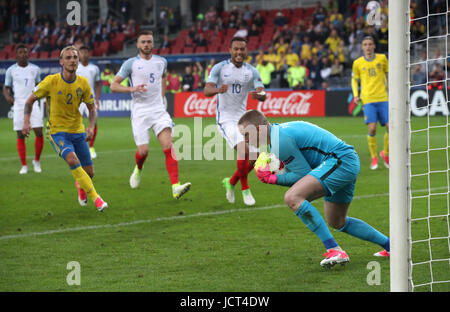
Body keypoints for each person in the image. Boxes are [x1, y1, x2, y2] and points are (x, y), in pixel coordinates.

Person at [238, 109, 390, 268]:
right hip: (343, 161)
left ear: (257, 129)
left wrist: (272, 178)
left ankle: (334, 250)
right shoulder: (277, 134)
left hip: (339, 161)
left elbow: (302, 175)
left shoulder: (278, 141)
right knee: (337, 221)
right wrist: (280, 170)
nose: (245, 140)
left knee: (292, 197)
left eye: (246, 135)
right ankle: (390, 246)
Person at [22, 45, 108, 211]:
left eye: (75, 57)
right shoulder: (51, 81)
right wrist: (26, 121)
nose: (72, 60)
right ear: (61, 62)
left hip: (77, 131)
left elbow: (92, 108)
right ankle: (97, 199)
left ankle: (80, 185)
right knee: (72, 160)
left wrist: (91, 126)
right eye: (68, 58)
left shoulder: (83, 83)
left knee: (89, 173)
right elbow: (29, 100)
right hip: (57, 132)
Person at [110, 30, 191, 199]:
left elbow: (162, 77)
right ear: (138, 45)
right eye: (143, 42)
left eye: (149, 41)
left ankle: (175, 187)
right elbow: (114, 86)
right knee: (144, 151)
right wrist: (131, 88)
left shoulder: (162, 61)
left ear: (153, 44)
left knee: (168, 146)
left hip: (158, 111)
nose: (146, 44)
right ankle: (138, 169)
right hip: (140, 112)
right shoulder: (130, 64)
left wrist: (161, 96)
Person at [203, 37, 266, 206]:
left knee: (255, 157)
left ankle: (230, 183)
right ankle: (245, 189)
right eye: (236, 49)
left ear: (246, 51)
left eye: (242, 49)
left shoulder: (251, 71)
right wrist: (218, 89)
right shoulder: (220, 68)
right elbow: (206, 90)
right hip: (225, 119)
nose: (239, 52)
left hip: (242, 118)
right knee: (244, 150)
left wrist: (258, 95)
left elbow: (263, 94)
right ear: (230, 50)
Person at [3, 44, 44, 174]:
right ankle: (24, 165)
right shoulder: (11, 70)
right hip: (19, 105)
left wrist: (41, 96)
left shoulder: (35, 69)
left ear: (28, 54)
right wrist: (8, 97)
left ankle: (36, 161)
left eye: (25, 52)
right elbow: (6, 87)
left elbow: (39, 85)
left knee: (39, 131)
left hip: (33, 103)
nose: (22, 54)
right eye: (20, 52)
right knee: (20, 133)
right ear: (16, 55)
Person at [351, 36, 389, 170]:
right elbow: (354, 80)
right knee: (372, 128)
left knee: (391, 127)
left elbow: (389, 74)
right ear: (362, 47)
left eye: (370, 44)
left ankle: (386, 153)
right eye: (365, 44)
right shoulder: (357, 63)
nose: (368, 46)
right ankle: (374, 157)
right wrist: (356, 95)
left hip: (383, 97)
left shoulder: (382, 59)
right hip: (368, 99)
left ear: (374, 46)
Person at [76, 46, 101, 159]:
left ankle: (91, 147)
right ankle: (78, 147)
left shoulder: (94, 68)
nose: (84, 54)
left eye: (86, 52)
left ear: (89, 54)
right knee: (75, 123)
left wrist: (98, 99)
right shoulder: (75, 67)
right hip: (77, 100)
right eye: (82, 52)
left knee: (93, 123)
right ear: (79, 54)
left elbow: (98, 84)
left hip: (90, 99)